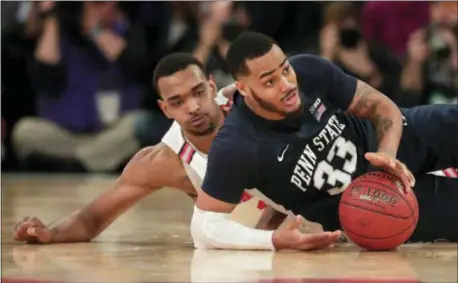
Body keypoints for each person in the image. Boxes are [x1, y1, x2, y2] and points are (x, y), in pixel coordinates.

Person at [13, 53, 332, 248]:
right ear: (164, 109)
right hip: (270, 257)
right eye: (178, 102)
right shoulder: (162, 161)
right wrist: (49, 234)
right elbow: (92, 219)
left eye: (197, 93)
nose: (193, 107)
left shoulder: (255, 103)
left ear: (211, 85)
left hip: (331, 210)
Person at [191, 32, 458, 251]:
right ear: (244, 89)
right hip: (366, 204)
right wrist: (272, 240)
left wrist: (387, 153)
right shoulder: (237, 145)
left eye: (285, 70)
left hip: (385, 142)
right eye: (270, 81)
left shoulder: (308, 70)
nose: (286, 84)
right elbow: (204, 228)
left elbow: (381, 106)